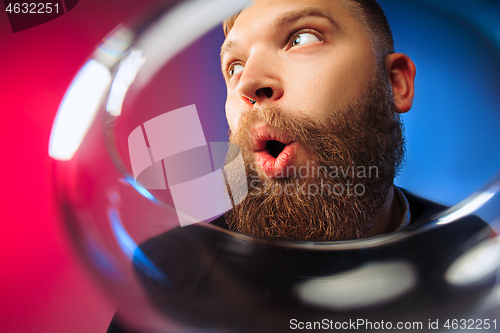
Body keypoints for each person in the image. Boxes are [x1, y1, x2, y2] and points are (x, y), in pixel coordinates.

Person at [108, 1, 496, 332]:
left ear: (395, 83)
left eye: (303, 38)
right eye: (234, 67)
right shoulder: (168, 276)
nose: (250, 84)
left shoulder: (475, 254)